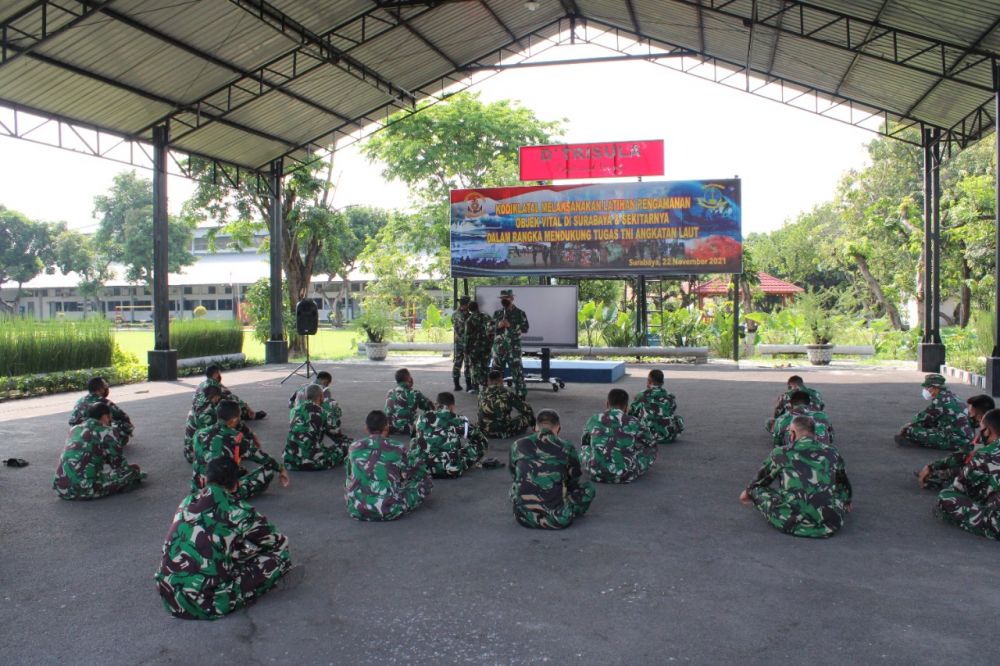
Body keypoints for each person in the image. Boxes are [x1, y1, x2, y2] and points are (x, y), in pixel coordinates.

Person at [155, 457, 294, 620]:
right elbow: (277, 543)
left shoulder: (187, 501)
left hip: (170, 598)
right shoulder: (238, 510)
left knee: (227, 552)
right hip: (209, 604)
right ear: (236, 484)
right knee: (281, 558)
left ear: (205, 479)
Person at [740, 415, 852, 538]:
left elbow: (760, 481)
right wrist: (846, 501)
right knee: (838, 491)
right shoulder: (833, 452)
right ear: (814, 433)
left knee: (756, 489)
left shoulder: (781, 452)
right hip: (831, 524)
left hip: (791, 522)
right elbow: (844, 484)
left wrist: (748, 491)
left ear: (792, 434)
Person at [509, 409, 595, 529]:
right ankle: (562, 508)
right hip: (558, 519)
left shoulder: (517, 445)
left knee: (516, 485)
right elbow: (574, 479)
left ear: (535, 428)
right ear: (558, 428)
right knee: (588, 489)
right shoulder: (566, 447)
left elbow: (514, 473)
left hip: (523, 518)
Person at [345, 410, 433, 521]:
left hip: (357, 509)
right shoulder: (398, 447)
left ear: (366, 428)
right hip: (389, 510)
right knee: (425, 482)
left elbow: (349, 475)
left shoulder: (354, 447)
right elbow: (414, 472)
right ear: (387, 427)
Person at [192, 400, 289, 500]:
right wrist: (280, 468)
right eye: (239, 417)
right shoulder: (235, 437)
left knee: (237, 468)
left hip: (199, 488)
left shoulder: (198, 433)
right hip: (223, 494)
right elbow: (262, 458)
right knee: (268, 470)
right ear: (234, 420)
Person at [53, 402, 145, 500]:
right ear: (105, 416)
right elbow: (119, 465)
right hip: (85, 489)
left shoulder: (74, 429)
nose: (111, 420)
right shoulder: (107, 431)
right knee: (133, 470)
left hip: (61, 488)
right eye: (110, 416)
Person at [934, 408, 1000, 540]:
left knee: (946, 497)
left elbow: (960, 486)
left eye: (982, 429)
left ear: (988, 431)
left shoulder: (985, 454)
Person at [918, 395, 997, 490]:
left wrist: (932, 467)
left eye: (970, 413)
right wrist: (933, 467)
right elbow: (964, 455)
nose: (968, 416)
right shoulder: (990, 428)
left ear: (980, 417)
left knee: (946, 487)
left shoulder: (989, 434)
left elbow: (964, 456)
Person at [581, 388, 657, 483]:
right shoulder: (633, 421)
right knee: (650, 450)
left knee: (585, 449)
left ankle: (596, 464)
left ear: (607, 403)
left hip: (596, 473)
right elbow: (650, 443)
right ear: (626, 407)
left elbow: (585, 442)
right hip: (626, 475)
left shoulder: (594, 419)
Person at [411, 392, 488, 478]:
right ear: (452, 407)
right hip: (451, 470)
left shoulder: (421, 418)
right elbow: (479, 438)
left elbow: (418, 437)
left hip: (425, 469)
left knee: (414, 441)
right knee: (482, 443)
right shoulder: (460, 419)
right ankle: (456, 460)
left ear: (436, 405)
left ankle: (418, 464)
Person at [896, 373, 974, 451]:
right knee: (932, 425)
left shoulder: (940, 402)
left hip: (957, 441)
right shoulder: (953, 397)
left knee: (910, 430)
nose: (925, 390)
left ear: (934, 388)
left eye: (927, 388)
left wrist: (906, 428)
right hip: (967, 438)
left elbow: (922, 419)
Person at [283, 384, 349, 470]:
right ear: (321, 396)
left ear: (306, 396)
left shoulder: (294, 411)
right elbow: (338, 437)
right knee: (347, 444)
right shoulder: (323, 412)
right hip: (313, 463)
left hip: (290, 462)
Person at [68, 376, 134, 446]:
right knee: (125, 425)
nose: (107, 387)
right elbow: (123, 417)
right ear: (100, 388)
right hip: (92, 434)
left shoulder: (80, 400)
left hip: (76, 435)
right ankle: (111, 442)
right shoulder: (104, 402)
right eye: (105, 385)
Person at [287, 371, 350, 444]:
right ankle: (330, 425)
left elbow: (290, 403)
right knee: (333, 407)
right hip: (314, 421)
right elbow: (326, 406)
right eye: (328, 383)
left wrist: (296, 409)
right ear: (325, 380)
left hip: (296, 418)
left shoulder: (302, 386)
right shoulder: (323, 390)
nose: (327, 385)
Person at [627, 369, 684, 444]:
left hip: (647, 436)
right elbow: (672, 409)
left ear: (649, 381)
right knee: (678, 417)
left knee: (632, 418)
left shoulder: (642, 394)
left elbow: (632, 413)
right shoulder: (669, 395)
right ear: (662, 382)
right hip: (668, 436)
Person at [491, 288, 529, 398]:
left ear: (512, 298)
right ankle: (495, 393)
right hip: (499, 348)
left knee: (517, 371)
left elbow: (525, 328)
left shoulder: (520, 313)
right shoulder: (497, 313)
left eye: (506, 298)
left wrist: (510, 326)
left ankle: (521, 394)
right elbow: (489, 328)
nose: (504, 300)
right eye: (502, 298)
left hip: (513, 348)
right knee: (496, 372)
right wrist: (497, 325)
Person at [193, 364, 266, 421]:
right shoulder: (214, 386)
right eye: (218, 373)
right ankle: (249, 415)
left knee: (224, 400)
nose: (220, 375)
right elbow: (233, 398)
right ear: (215, 374)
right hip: (207, 415)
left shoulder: (202, 384)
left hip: (195, 414)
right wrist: (249, 409)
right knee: (231, 404)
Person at [478, 369, 535, 438]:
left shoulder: (481, 393)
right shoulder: (507, 394)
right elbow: (526, 409)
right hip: (502, 431)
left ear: (488, 381)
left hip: (484, 431)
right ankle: (535, 427)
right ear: (500, 380)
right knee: (528, 416)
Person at [384, 368, 434, 436]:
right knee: (429, 414)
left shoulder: (390, 392)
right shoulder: (415, 393)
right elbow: (429, 407)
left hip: (390, 427)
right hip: (408, 428)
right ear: (409, 378)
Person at [183, 384, 223, 463]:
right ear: (214, 396)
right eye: (218, 397)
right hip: (194, 455)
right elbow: (211, 434)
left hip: (188, 450)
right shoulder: (209, 412)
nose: (218, 399)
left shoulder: (198, 399)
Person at [463, 301, 493, 394]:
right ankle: (486, 387)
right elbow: (492, 331)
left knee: (475, 368)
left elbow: (467, 336)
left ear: (470, 309)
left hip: (474, 349)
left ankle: (475, 388)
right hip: (487, 347)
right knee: (485, 367)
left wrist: (466, 349)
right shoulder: (487, 317)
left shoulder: (470, 320)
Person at [451, 295, 473, 392]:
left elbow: (453, 324)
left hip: (457, 343)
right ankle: (468, 385)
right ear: (467, 304)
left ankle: (456, 385)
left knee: (457, 363)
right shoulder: (468, 315)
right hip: (467, 343)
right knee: (467, 364)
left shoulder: (454, 314)